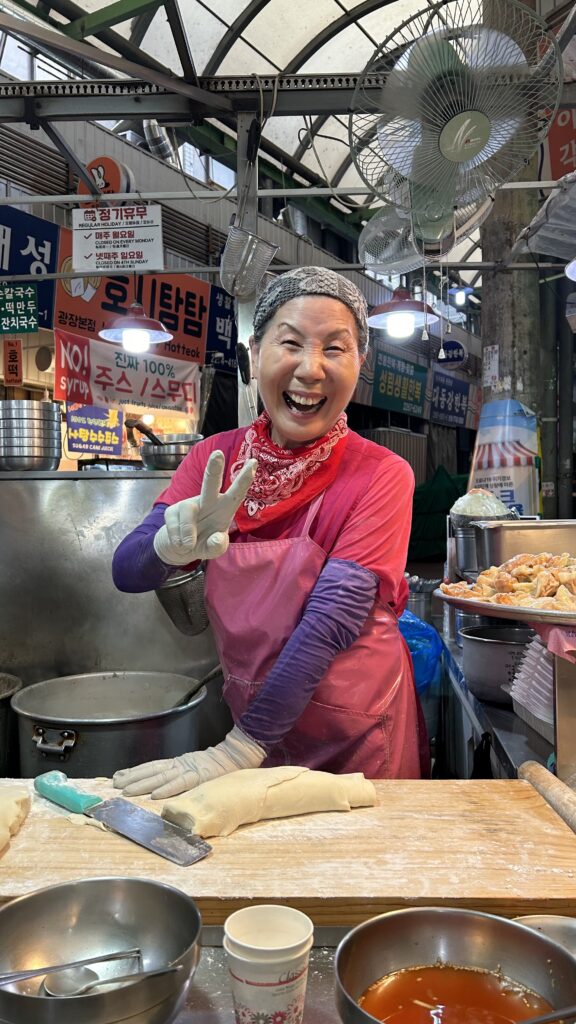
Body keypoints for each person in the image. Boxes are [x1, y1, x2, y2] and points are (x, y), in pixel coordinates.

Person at [112, 266, 427, 799]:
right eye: (291, 343)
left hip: (358, 737)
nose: (311, 369)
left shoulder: (382, 475)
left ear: (359, 364)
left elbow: (332, 620)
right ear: (254, 355)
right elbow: (127, 571)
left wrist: (239, 749)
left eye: (335, 349)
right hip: (257, 728)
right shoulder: (213, 459)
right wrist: (168, 547)